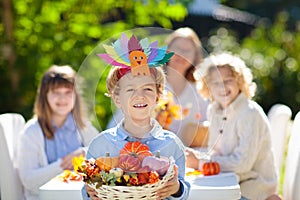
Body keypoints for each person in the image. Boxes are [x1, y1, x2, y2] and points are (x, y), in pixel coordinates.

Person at [84, 52, 190, 199]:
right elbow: (86, 189)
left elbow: (184, 192)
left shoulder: (172, 144)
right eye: (130, 89)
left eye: (147, 89)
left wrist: (177, 188)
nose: (139, 96)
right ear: (117, 99)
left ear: (158, 97)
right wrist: (90, 194)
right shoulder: (100, 145)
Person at [185, 52, 281, 200]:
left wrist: (200, 162)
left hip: (254, 183)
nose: (222, 86)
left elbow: (243, 164)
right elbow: (215, 151)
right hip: (229, 179)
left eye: (228, 80)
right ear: (207, 87)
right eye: (215, 83)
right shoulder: (214, 110)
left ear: (240, 82)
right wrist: (200, 158)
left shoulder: (249, 113)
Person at [107, 27, 209, 147]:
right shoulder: (148, 83)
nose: (181, 54)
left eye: (187, 51)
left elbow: (208, 130)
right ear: (167, 51)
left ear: (195, 57)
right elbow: (119, 123)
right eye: (177, 49)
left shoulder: (200, 91)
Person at [16, 65, 99, 200]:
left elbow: (103, 153)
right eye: (56, 92)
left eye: (68, 92)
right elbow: (29, 181)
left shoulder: (83, 126)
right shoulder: (31, 132)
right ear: (44, 96)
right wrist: (64, 164)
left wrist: (84, 152)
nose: (62, 99)